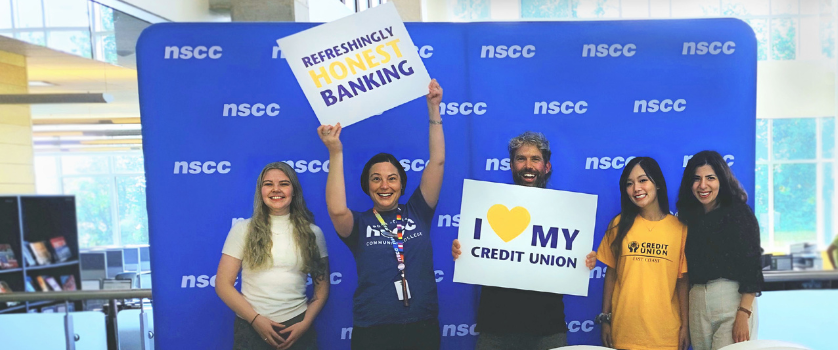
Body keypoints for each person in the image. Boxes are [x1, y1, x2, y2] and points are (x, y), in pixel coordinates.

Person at [318, 79, 445, 350]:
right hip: (373, 330)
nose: (385, 185)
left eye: (392, 178)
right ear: (367, 186)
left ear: (402, 184)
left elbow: (437, 161)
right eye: (376, 179)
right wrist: (335, 151)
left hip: (422, 326)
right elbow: (337, 209)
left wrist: (434, 109)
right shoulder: (358, 224)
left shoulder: (418, 211)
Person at [452, 131, 596, 350]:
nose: (528, 165)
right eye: (521, 159)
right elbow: (475, 254)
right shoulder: (487, 206)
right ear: (511, 165)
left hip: (547, 328)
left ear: (546, 167)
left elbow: (571, 264)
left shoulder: (565, 212)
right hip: (496, 328)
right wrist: (464, 251)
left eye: (535, 159)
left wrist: (583, 261)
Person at [216, 162, 330, 350]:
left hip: (298, 328)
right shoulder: (243, 230)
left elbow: (322, 291)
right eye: (268, 184)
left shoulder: (313, 233)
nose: (276, 189)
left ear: (294, 190)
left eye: (284, 183)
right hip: (251, 328)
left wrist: (305, 323)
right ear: (260, 191)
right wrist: (256, 320)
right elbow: (222, 284)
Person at [594, 157, 689, 350]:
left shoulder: (680, 229)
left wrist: (685, 326)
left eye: (643, 180)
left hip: (666, 336)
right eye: (629, 184)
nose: (636, 188)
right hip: (625, 333)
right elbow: (611, 274)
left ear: (658, 184)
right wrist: (605, 318)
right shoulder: (618, 225)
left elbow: (682, 282)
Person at [676, 150, 762, 350]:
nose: (703, 185)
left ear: (721, 180)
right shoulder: (689, 219)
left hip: (732, 302)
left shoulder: (739, 213)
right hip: (696, 302)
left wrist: (743, 313)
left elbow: (753, 266)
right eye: (696, 179)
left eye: (710, 178)